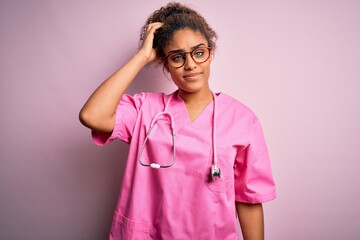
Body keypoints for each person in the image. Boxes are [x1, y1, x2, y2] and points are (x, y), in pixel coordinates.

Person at [79, 2, 276, 239]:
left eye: (199, 52)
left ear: (210, 53)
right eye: (177, 57)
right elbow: (92, 115)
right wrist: (142, 57)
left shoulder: (242, 120)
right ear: (165, 63)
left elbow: (249, 198)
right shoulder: (146, 110)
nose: (190, 64)